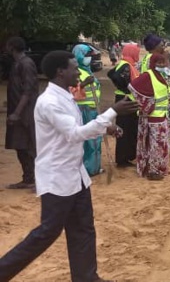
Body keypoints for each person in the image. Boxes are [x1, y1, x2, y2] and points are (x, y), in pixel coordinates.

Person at [0, 50, 137, 282]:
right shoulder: (49, 102)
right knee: (46, 233)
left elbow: (76, 127)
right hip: (58, 179)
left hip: (76, 176)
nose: (78, 73)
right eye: (74, 68)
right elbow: (74, 134)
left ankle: (86, 277)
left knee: (83, 229)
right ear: (60, 72)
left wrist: (106, 128)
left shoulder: (65, 95)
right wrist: (113, 111)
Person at [130, 54, 170, 180]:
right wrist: (147, 103)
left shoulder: (163, 75)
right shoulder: (148, 75)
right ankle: (153, 171)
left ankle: (160, 168)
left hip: (162, 117)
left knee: (162, 145)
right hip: (152, 119)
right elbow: (133, 87)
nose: (161, 65)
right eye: (158, 62)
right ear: (153, 63)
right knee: (154, 146)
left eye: (163, 62)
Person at [4, 37, 38, 190]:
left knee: (29, 146)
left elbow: (28, 91)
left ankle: (36, 179)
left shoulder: (26, 64)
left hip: (26, 113)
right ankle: (28, 178)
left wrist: (17, 113)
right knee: (20, 146)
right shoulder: (17, 63)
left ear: (11, 47)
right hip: (18, 111)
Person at [106, 43, 141, 167]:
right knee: (126, 129)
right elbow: (116, 76)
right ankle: (122, 159)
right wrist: (126, 88)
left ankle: (127, 156)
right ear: (131, 53)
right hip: (125, 99)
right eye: (136, 52)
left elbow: (110, 73)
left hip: (125, 98)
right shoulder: (126, 65)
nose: (138, 54)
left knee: (129, 128)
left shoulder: (126, 64)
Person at [71, 44, 103, 176]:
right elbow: (71, 92)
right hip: (84, 110)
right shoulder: (76, 72)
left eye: (90, 55)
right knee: (88, 140)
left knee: (96, 139)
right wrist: (83, 84)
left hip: (93, 109)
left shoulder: (88, 70)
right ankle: (88, 168)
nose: (89, 58)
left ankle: (95, 166)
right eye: (86, 55)